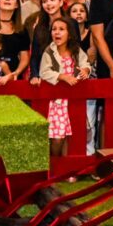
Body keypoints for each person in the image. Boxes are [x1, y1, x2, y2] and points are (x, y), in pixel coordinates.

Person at [39, 15, 89, 157]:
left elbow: (85, 63)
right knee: (57, 137)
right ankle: (54, 164)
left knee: (69, 136)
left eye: (61, 29)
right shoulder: (49, 51)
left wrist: (86, 70)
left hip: (72, 100)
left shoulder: (76, 51)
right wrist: (62, 76)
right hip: (56, 102)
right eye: (54, 29)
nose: (57, 32)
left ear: (70, 34)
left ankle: (66, 167)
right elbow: (44, 72)